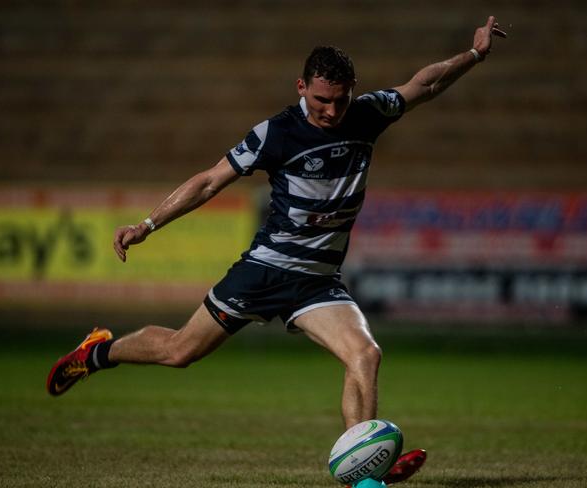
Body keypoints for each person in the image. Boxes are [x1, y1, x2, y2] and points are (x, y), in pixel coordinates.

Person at [47, 16, 506, 484]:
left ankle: (367, 474)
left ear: (353, 90)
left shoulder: (368, 113)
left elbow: (424, 84)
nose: (331, 110)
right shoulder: (276, 133)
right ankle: (98, 353)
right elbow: (209, 181)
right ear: (301, 87)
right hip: (265, 270)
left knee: (365, 355)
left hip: (317, 282)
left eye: (340, 99)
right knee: (180, 351)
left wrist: (473, 55)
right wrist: (147, 224)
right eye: (321, 99)